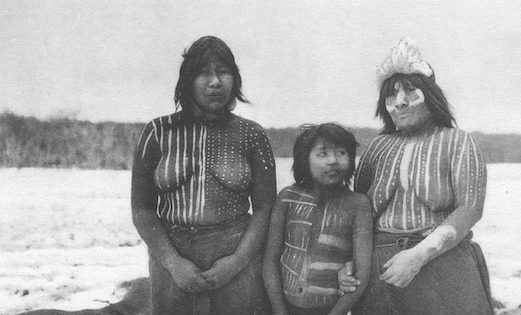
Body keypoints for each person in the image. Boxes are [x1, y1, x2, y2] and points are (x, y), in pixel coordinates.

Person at [337, 38, 494, 315]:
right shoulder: (377, 147)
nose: (399, 102)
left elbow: (470, 208)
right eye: (391, 95)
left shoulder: (458, 141)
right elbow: (357, 210)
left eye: (410, 91)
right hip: (380, 275)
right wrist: (348, 260)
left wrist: (419, 255)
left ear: (431, 96)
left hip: (443, 270)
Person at [131, 36, 276, 315]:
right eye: (203, 73)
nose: (215, 82)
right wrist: (174, 264)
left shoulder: (251, 135)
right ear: (187, 80)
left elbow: (265, 209)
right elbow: (142, 210)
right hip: (172, 263)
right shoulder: (157, 133)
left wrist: (236, 262)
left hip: (237, 259)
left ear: (235, 79)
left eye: (223, 72)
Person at [263, 123, 373, 315]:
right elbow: (270, 260)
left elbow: (362, 272)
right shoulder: (287, 197)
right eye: (322, 154)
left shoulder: (358, 204)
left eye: (341, 153)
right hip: (284, 308)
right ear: (305, 160)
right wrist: (279, 311)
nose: (333, 161)